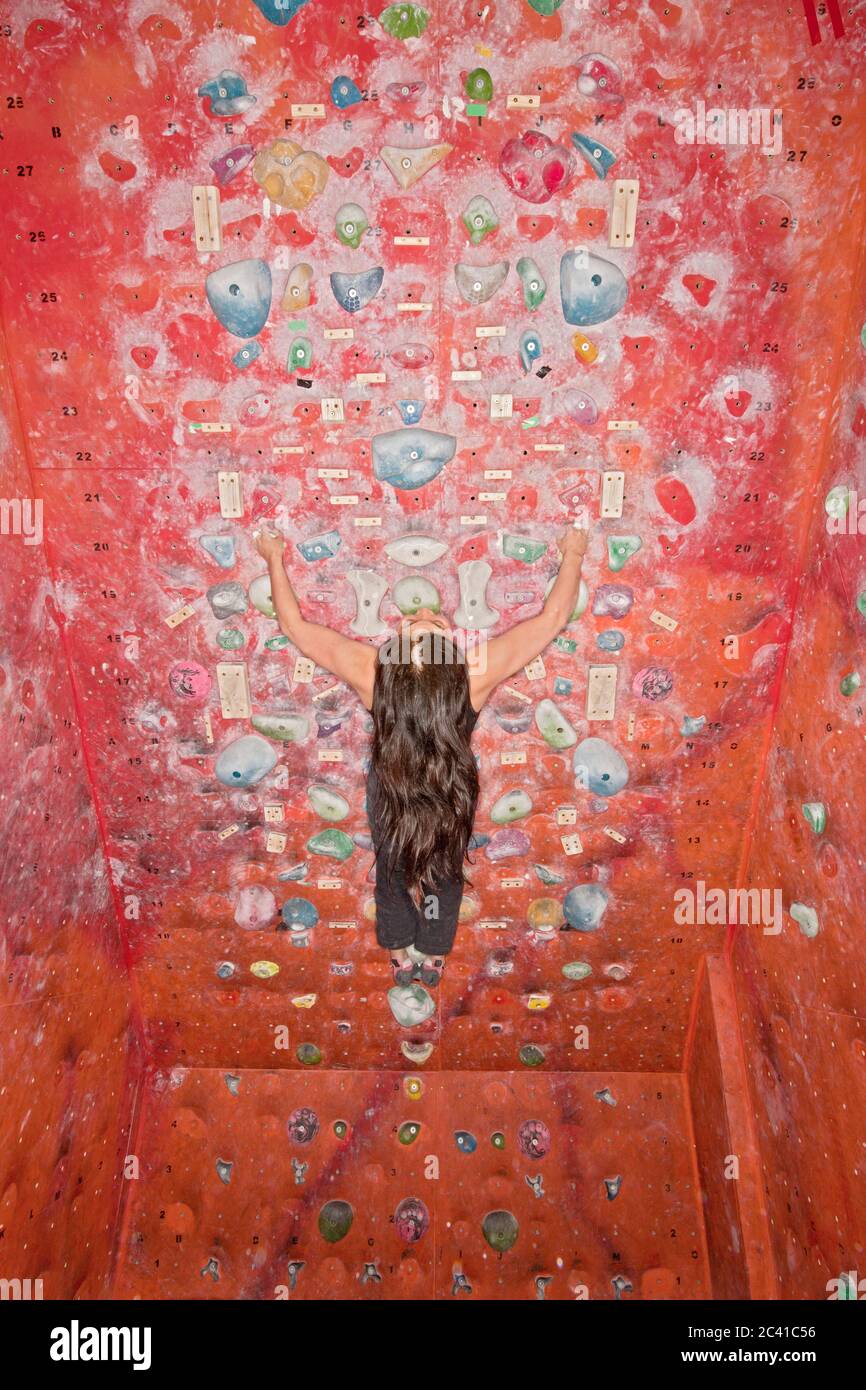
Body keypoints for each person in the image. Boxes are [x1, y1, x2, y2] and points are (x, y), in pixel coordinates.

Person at [254, 525, 589, 988]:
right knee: (442, 871)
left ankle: (399, 950)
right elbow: (552, 621)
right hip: (450, 792)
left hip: (392, 791)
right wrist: (573, 551)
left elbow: (294, 627)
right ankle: (432, 952)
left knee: (393, 869)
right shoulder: (471, 674)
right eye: (433, 619)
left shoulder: (374, 673)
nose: (429, 612)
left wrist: (272, 556)